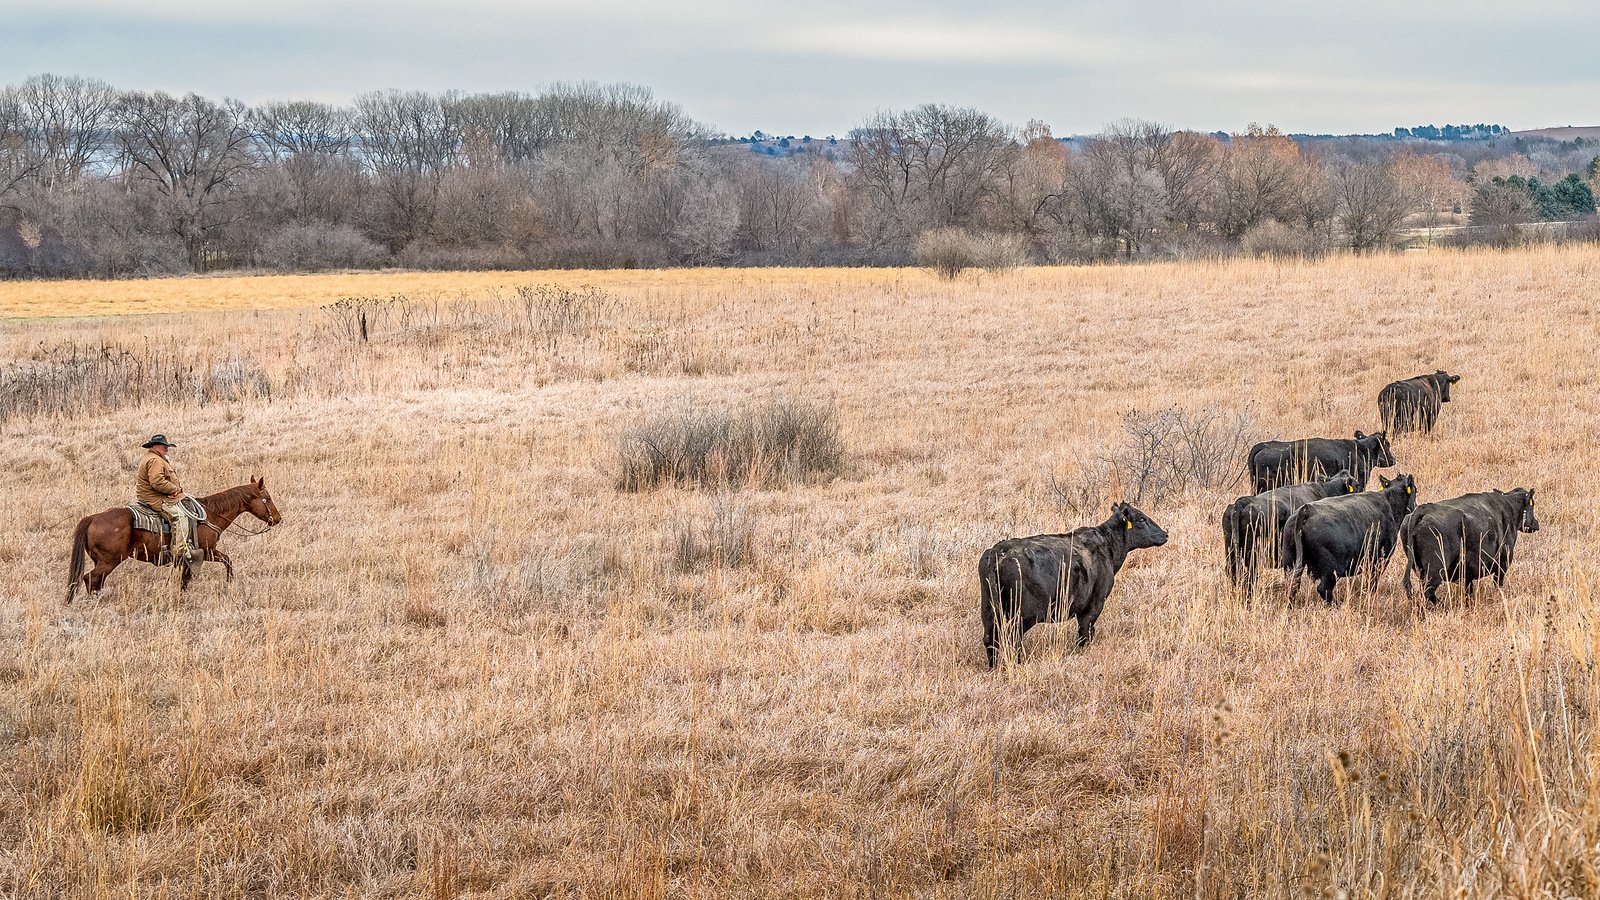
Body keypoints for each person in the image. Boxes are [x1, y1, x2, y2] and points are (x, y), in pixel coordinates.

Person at [136, 434, 193, 563]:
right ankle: (180, 551)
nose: (167, 448)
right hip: (155, 499)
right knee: (180, 516)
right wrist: (174, 490)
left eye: (167, 446)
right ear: (155, 447)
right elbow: (157, 482)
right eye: (164, 446)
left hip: (157, 496)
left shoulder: (153, 458)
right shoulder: (155, 460)